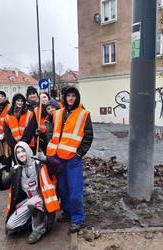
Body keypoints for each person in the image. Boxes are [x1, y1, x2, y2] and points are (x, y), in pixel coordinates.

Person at [0, 141, 63, 244]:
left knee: (32, 204)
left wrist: (47, 159)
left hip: (43, 199)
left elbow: (59, 168)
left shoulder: (39, 163)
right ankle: (35, 219)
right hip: (29, 200)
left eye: (23, 151)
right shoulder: (16, 170)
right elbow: (1, 186)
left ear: (28, 151)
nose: (21, 154)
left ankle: (38, 230)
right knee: (10, 226)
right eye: (18, 152)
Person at [46, 86, 94, 233]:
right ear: (65, 97)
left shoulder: (83, 114)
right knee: (63, 189)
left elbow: (88, 136)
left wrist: (79, 154)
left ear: (77, 97)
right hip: (58, 157)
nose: (71, 98)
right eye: (68, 96)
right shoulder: (57, 113)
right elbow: (51, 132)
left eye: (73, 96)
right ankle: (67, 213)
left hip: (73, 159)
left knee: (75, 190)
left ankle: (77, 218)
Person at [4, 93, 36, 163]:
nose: (20, 103)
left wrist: (22, 144)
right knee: (17, 165)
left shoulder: (30, 114)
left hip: (28, 145)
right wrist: (15, 145)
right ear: (14, 102)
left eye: (22, 101)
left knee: (29, 164)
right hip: (14, 146)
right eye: (18, 101)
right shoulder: (8, 116)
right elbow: (7, 133)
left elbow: (30, 130)